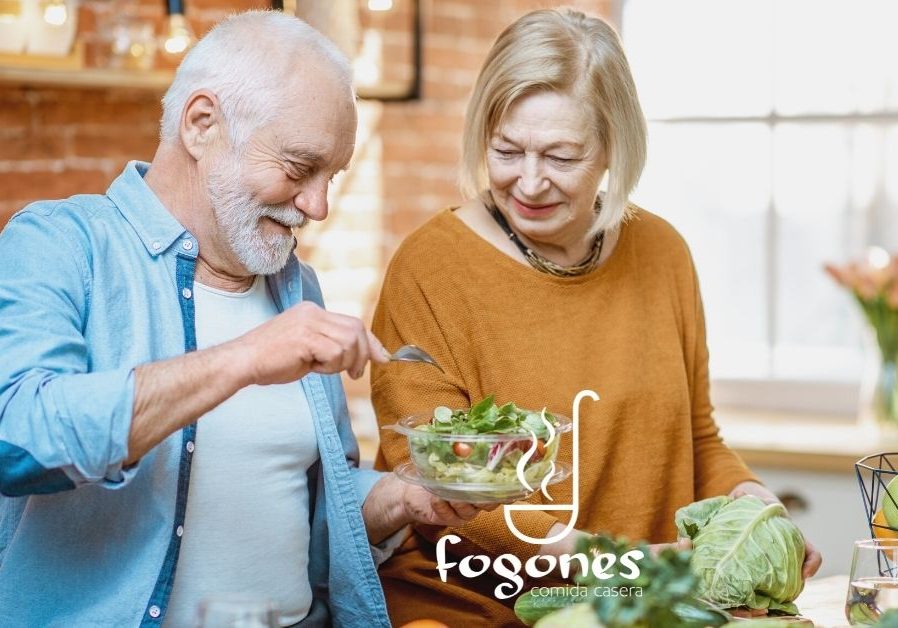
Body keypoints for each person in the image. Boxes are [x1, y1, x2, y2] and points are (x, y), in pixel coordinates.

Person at [0, 11, 487, 628]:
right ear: (202, 124)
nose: (318, 205)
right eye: (298, 167)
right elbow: (14, 440)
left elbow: (301, 515)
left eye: (331, 176)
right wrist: (244, 358)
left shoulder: (295, 288)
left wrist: (401, 499)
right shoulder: (60, 243)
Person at [369, 8, 823, 626]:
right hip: (469, 606)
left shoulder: (662, 253)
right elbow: (435, 488)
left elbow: (697, 438)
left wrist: (757, 512)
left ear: (614, 147)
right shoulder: (430, 267)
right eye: (506, 150)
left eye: (561, 156)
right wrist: (620, 562)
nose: (529, 182)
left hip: (636, 604)